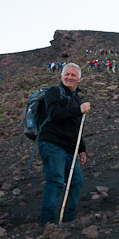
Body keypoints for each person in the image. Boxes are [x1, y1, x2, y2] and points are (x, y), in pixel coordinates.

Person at [39, 63, 90, 225]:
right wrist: (78, 110)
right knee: (55, 180)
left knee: (77, 181)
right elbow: (54, 114)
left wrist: (81, 148)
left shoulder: (76, 98)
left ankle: (68, 220)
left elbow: (76, 126)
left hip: (70, 147)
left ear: (79, 79)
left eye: (73, 75)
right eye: (66, 74)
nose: (69, 77)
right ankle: (48, 223)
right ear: (61, 76)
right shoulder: (54, 92)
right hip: (52, 143)